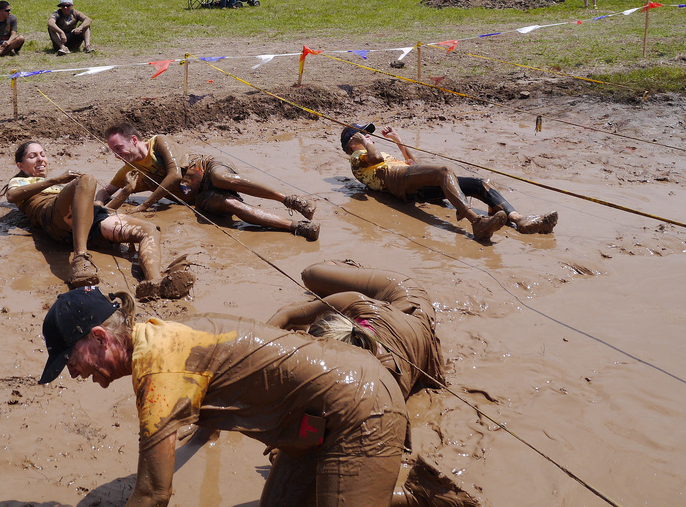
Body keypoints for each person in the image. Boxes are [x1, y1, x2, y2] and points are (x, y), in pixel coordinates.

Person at [38, 287, 408, 507]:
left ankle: (414, 497)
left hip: (361, 406)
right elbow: (216, 382)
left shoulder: (159, 373)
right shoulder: (156, 333)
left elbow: (153, 494)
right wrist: (202, 430)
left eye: (70, 359)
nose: (72, 372)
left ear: (101, 338)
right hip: (313, 421)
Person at [5, 142, 191, 299]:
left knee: (149, 229)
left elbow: (99, 208)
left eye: (43, 154)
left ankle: (154, 282)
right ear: (20, 165)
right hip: (54, 218)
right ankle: (80, 258)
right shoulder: (20, 182)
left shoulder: (61, 184)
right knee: (87, 180)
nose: (40, 159)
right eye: (33, 156)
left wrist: (126, 191)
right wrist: (54, 180)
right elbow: (11, 197)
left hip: (85, 222)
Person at [268, 262, 444, 400]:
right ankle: (349, 273)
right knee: (310, 274)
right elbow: (286, 315)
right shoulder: (355, 303)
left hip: (408, 307)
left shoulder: (386, 382)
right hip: (397, 299)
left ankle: (349, 272)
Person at [341, 123, 512, 243]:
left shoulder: (376, 155)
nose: (368, 135)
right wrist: (365, 143)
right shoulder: (357, 158)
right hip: (395, 179)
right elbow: (376, 158)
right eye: (363, 133)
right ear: (352, 143)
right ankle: (476, 222)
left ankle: (514, 218)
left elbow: (415, 166)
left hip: (406, 182)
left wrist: (398, 140)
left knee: (475, 184)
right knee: (443, 171)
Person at [179, 153, 320, 241]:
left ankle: (291, 200)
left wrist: (155, 197)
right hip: (200, 196)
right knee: (230, 203)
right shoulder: (155, 185)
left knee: (220, 178)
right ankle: (299, 227)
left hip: (210, 168)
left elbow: (173, 176)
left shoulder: (158, 141)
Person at [95, 124, 192, 212]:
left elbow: (175, 175)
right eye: (113, 151)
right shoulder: (129, 170)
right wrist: (98, 203)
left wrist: (144, 205)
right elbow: (106, 191)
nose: (116, 156)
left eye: (119, 148)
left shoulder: (158, 143)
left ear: (133, 140)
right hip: (199, 199)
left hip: (205, 174)